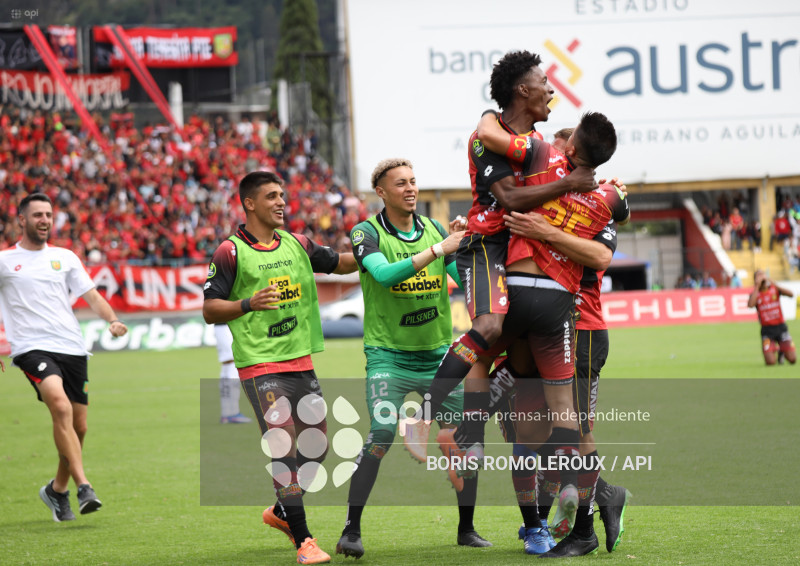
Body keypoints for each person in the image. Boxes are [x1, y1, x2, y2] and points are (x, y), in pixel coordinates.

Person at [412, 50, 597, 465]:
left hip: (520, 259)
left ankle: (470, 435)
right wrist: (569, 183)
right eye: (544, 82)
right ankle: (423, 416)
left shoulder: (534, 145)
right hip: (484, 247)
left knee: (519, 350)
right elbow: (510, 199)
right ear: (522, 89)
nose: (552, 90)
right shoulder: (486, 138)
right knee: (490, 327)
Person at [336, 158, 492, 558]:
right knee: (382, 434)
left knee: (466, 437)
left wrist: (467, 244)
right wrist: (439, 248)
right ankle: (351, 529)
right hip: (388, 356)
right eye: (400, 183)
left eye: (413, 181)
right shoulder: (365, 233)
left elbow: (464, 278)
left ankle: (466, 529)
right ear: (382, 192)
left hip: (439, 357)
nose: (410, 188)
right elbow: (384, 275)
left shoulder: (436, 229)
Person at [202, 171, 357, 565]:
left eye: (282, 195)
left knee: (316, 446)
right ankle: (305, 540)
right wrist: (248, 303)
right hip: (260, 363)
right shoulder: (230, 251)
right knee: (283, 442)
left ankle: (281, 509)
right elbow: (209, 309)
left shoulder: (297, 243)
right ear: (249, 204)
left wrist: (381, 253)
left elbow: (339, 264)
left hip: (299, 359)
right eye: (271, 196)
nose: (281, 202)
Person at [0, 193, 128, 522]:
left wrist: (112, 319)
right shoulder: (4, 262)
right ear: (22, 220)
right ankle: (84, 486)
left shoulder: (65, 257)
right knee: (60, 406)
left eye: (49, 215)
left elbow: (92, 295)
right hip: (31, 348)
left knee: (78, 427)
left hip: (72, 347)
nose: (45, 220)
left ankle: (57, 490)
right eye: (38, 215)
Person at [747, 270, 796, 366]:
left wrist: (773, 283)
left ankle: (782, 351)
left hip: (781, 328)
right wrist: (757, 286)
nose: (762, 277)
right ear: (755, 279)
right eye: (759, 276)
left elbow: (791, 294)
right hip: (767, 331)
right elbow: (750, 305)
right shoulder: (755, 294)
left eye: (763, 275)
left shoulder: (774, 289)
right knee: (770, 362)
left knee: (792, 359)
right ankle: (777, 349)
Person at [213, 323, 252, 424]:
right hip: (226, 326)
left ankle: (228, 413)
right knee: (232, 363)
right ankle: (231, 413)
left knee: (227, 365)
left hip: (223, 326)